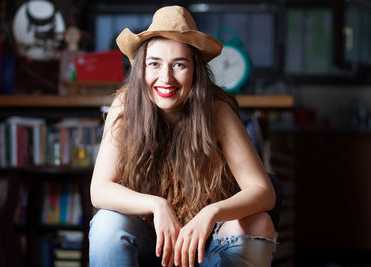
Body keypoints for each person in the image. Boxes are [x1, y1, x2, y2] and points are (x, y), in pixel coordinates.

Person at [89, 5, 277, 267]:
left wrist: (211, 213)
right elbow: (99, 190)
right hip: (150, 246)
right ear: (141, 68)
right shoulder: (125, 105)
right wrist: (157, 205)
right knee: (107, 222)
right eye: (154, 64)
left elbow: (263, 192)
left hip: (206, 248)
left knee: (258, 222)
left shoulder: (217, 109)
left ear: (196, 71)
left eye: (179, 64)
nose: (165, 78)